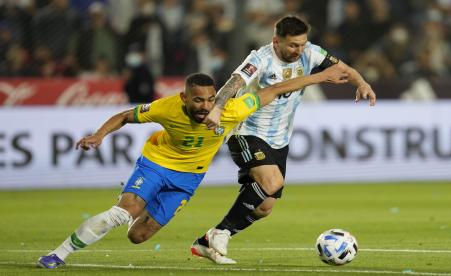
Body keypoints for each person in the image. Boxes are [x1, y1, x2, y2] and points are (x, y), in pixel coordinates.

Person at [37, 66, 351, 269]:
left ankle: (143, 205)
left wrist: (319, 77)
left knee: (137, 235)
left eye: (210, 100)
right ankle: (59, 254)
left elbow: (272, 91)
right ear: (184, 97)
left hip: (188, 180)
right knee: (123, 212)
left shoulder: (228, 110)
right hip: (156, 163)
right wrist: (98, 135)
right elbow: (124, 116)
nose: (205, 107)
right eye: (198, 101)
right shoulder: (166, 107)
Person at [193, 15, 376, 261]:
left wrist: (361, 83)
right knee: (272, 181)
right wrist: (217, 107)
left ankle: (206, 242)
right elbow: (233, 84)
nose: (299, 50)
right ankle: (220, 232)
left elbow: (342, 69)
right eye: (292, 45)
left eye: (302, 44)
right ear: (276, 41)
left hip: (280, 138)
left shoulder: (310, 52)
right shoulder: (260, 59)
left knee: (264, 207)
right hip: (247, 131)